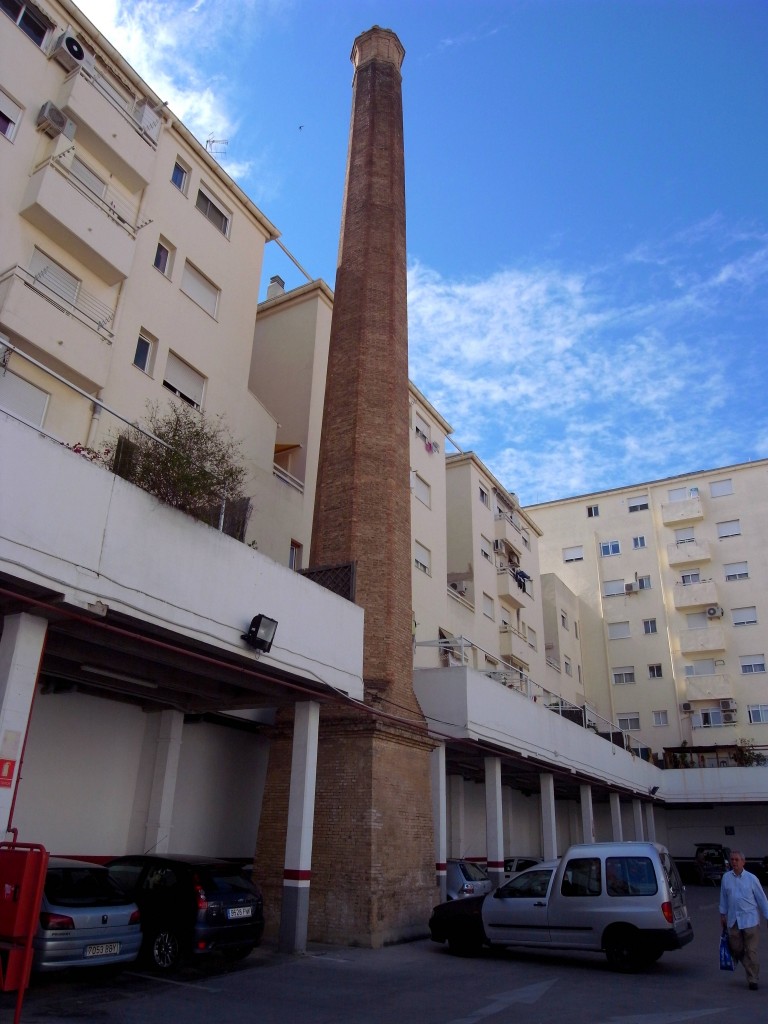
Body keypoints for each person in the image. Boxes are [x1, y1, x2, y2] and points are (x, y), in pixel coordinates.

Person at [719, 849, 768, 990]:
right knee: (736, 949)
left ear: (743, 862)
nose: (734, 862)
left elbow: (762, 900)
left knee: (751, 951)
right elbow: (723, 897)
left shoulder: (752, 879)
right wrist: (722, 914)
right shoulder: (726, 878)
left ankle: (753, 979)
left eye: (737, 860)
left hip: (750, 921)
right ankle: (750, 968)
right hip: (733, 921)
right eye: (732, 860)